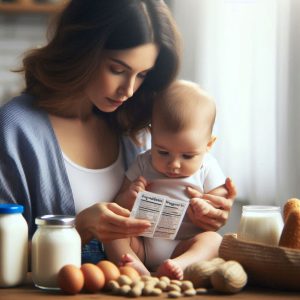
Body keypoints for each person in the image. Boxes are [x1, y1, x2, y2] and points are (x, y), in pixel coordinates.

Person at [0, 0, 236, 264]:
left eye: (143, 74)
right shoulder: (15, 128)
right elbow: (6, 257)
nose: (129, 90)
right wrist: (83, 226)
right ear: (82, 50)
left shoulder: (133, 127)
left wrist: (209, 211)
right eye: (118, 70)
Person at [104, 80, 232, 279]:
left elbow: (219, 200)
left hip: (184, 244)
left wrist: (206, 207)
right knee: (113, 235)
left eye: (187, 156)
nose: (174, 164)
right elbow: (118, 203)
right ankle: (137, 268)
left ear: (209, 144)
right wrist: (129, 197)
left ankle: (178, 265)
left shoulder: (208, 166)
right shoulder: (143, 163)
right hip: (143, 243)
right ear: (151, 134)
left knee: (213, 240)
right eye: (163, 152)